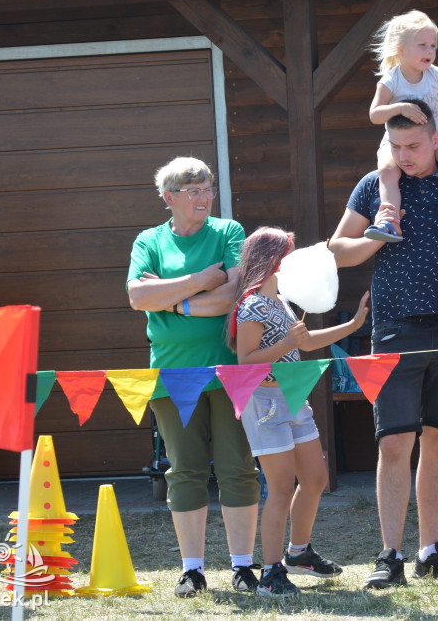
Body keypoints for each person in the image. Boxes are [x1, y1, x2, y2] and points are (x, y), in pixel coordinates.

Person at [329, 99, 438, 588]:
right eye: (395, 146)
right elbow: (337, 251)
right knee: (395, 442)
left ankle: (430, 548)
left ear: (437, 135)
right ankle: (390, 555)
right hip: (395, 328)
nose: (404, 155)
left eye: (414, 145)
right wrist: (380, 234)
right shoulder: (375, 186)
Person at [126, 157, 260, 596]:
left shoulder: (229, 232)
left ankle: (243, 565)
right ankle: (192, 569)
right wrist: (201, 279)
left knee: (238, 468)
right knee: (184, 470)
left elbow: (232, 294)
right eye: (193, 191)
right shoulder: (148, 240)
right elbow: (137, 296)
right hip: (170, 375)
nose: (204, 197)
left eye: (207, 189)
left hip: (228, 371)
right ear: (169, 198)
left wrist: (173, 300)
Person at [230, 227, 370, 597]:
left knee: (315, 478)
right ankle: (272, 573)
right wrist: (288, 342)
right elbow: (246, 363)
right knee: (279, 487)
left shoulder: (283, 302)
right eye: (288, 256)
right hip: (264, 402)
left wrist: (353, 325)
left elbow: (305, 342)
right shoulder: (251, 306)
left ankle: (298, 553)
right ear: (273, 262)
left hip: (292, 398)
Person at [365, 10, 438, 242]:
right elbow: (375, 114)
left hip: (435, 140)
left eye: (433, 46)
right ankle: (389, 221)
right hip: (397, 144)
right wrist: (400, 108)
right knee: (387, 170)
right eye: (422, 45)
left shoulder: (437, 76)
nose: (430, 51)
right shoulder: (392, 80)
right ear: (400, 48)